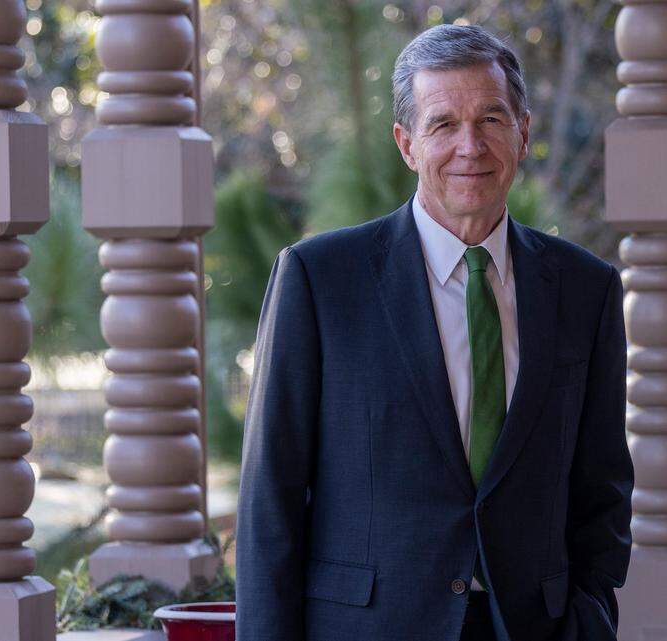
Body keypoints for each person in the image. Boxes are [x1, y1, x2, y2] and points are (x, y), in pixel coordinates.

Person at [235, 23, 632, 641]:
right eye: (443, 124)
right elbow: (271, 501)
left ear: (523, 133)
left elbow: (602, 487)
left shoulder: (587, 291)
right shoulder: (320, 280)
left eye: (492, 120)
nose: (469, 146)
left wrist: (590, 616)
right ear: (407, 144)